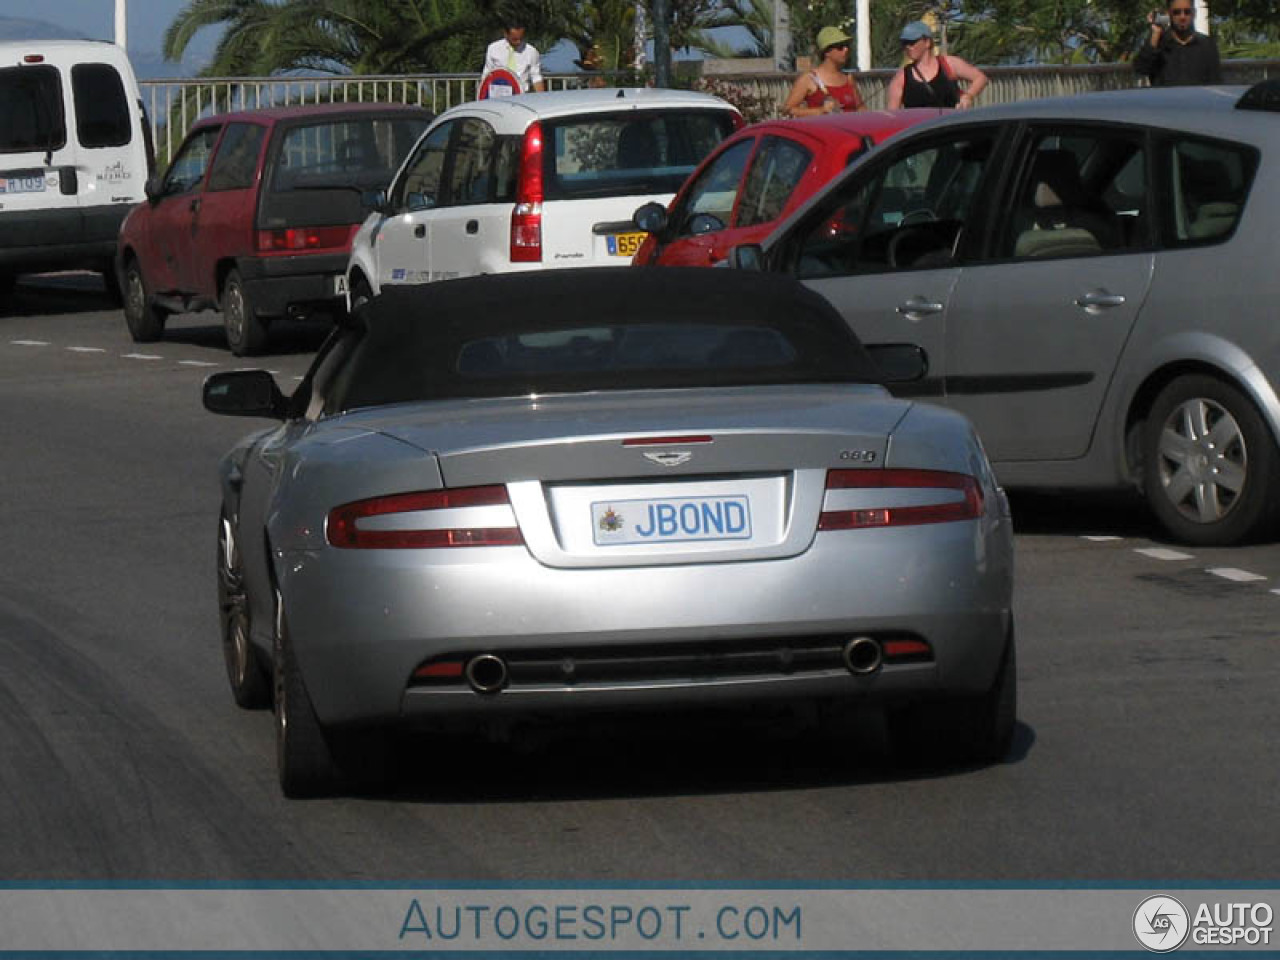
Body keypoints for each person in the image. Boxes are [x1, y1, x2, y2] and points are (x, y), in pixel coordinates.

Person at [886, 21, 987, 110]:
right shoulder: (901, 78)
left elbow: (980, 78)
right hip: (921, 130)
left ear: (927, 42)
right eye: (904, 43)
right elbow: (893, 115)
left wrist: (968, 96)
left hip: (949, 126)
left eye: (912, 42)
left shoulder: (949, 64)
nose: (908, 47)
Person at [1133, 1, 1221, 87]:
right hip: (1165, 100)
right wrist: (1156, 32)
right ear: (1169, 14)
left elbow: (1216, 82)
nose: (1182, 17)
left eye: (1187, 12)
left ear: (1194, 13)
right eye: (1176, 12)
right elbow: (1141, 69)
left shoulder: (1207, 44)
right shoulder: (1159, 43)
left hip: (1197, 100)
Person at [784, 26, 864, 117]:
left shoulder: (848, 78)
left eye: (847, 46)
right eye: (840, 47)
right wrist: (821, 111)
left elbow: (861, 109)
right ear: (827, 52)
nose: (846, 50)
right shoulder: (809, 78)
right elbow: (788, 109)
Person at [481, 21, 546, 94]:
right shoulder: (493, 48)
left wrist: (541, 97)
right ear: (506, 34)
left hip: (521, 95)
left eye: (521, 38)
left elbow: (536, 77)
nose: (518, 42)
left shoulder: (532, 51)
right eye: (514, 39)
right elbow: (487, 74)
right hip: (497, 95)